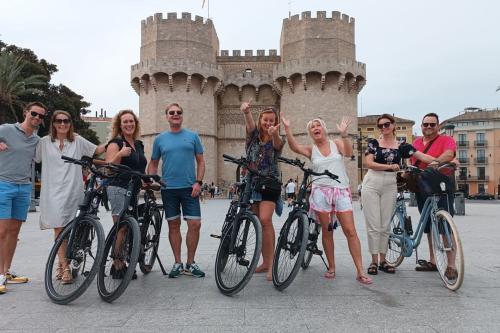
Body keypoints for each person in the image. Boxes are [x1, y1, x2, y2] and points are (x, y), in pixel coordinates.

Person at [282, 115, 372, 284]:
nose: (316, 128)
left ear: (324, 128)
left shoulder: (336, 143)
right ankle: (332, 266)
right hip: (320, 192)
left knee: (350, 230)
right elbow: (294, 147)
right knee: (327, 230)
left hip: (340, 190)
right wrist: (287, 129)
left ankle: (360, 270)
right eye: (312, 127)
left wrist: (344, 134)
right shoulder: (311, 150)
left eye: (318, 125)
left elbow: (349, 153)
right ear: (310, 132)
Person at [35, 110, 105, 284]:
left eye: (66, 121)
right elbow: (32, 156)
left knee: (68, 228)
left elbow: (96, 150)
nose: (63, 124)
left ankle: (60, 263)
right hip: (52, 192)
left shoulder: (77, 140)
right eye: (59, 121)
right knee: (58, 228)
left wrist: (116, 139)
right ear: (53, 123)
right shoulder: (43, 142)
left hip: (73, 191)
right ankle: (65, 267)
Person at [361, 114, 432, 275]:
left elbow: (421, 156)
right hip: (372, 182)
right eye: (380, 126)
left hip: (390, 184)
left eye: (386, 124)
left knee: (385, 224)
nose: (383, 128)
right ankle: (373, 261)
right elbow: (369, 163)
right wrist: (389, 166)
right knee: (374, 225)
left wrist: (440, 161)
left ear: (393, 125)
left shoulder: (402, 145)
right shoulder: (373, 143)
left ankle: (383, 261)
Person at [148, 103, 206, 278]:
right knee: (173, 225)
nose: (175, 115)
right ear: (166, 116)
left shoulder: (193, 136)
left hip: (190, 189)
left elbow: (201, 161)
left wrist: (199, 182)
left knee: (195, 224)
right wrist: (153, 179)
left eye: (178, 112)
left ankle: (190, 263)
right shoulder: (159, 139)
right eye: (172, 112)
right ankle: (177, 263)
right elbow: (154, 163)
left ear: (182, 115)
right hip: (169, 190)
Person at [0, 102, 48, 294]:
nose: (37, 118)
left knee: (13, 232)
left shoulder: (37, 140)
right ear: (26, 113)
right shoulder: (6, 129)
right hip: (3, 184)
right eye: (34, 114)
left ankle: (7, 271)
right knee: (2, 231)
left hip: (24, 187)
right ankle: (0, 273)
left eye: (41, 116)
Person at [241, 100, 285, 281]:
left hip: (269, 183)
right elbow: (250, 125)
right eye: (265, 120)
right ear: (261, 120)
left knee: (266, 220)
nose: (268, 123)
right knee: (258, 222)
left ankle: (271, 263)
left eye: (272, 121)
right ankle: (265, 262)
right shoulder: (253, 135)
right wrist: (246, 112)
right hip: (252, 183)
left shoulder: (278, 139)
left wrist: (274, 134)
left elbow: (277, 145)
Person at [409, 113, 457, 276]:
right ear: (421, 126)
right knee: (428, 225)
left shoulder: (446, 140)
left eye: (432, 124)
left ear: (438, 126)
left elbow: (449, 155)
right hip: (422, 186)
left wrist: (434, 164)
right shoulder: (416, 142)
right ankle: (433, 261)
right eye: (425, 124)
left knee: (445, 226)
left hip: (442, 185)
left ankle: (451, 266)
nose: (428, 127)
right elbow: (412, 160)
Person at [105, 110, 147, 279]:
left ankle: (122, 260)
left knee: (128, 227)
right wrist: (120, 154)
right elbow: (109, 167)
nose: (129, 124)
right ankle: (117, 265)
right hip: (118, 187)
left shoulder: (138, 144)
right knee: (121, 226)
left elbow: (139, 167)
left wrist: (146, 181)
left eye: (131, 121)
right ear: (120, 125)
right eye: (125, 122)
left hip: (133, 189)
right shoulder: (116, 143)